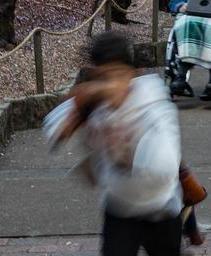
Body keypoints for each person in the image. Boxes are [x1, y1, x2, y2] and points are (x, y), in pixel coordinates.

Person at [44, 31, 183, 256]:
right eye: (103, 77)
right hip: (119, 208)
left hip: (160, 209)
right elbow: (54, 129)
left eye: (118, 75)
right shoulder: (96, 106)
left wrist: (125, 147)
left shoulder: (154, 105)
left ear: (132, 74)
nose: (111, 85)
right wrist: (77, 108)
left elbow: (163, 170)